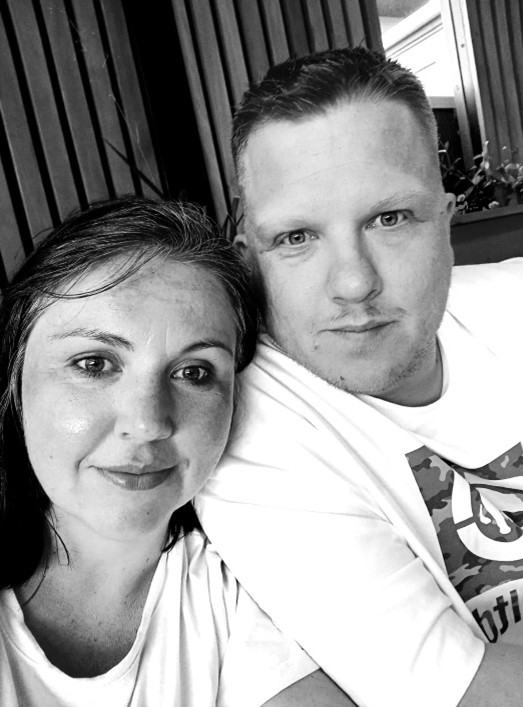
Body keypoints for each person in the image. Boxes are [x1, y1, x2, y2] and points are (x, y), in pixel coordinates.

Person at [195, 47, 523, 707]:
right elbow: (477, 696)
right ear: (251, 260)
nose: (354, 283)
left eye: (389, 218)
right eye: (297, 237)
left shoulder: (522, 299)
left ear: (445, 219)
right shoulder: (248, 435)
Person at [0, 195, 355, 706]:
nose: (148, 424)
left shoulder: (254, 593)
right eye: (94, 364)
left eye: (194, 373)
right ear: (15, 381)